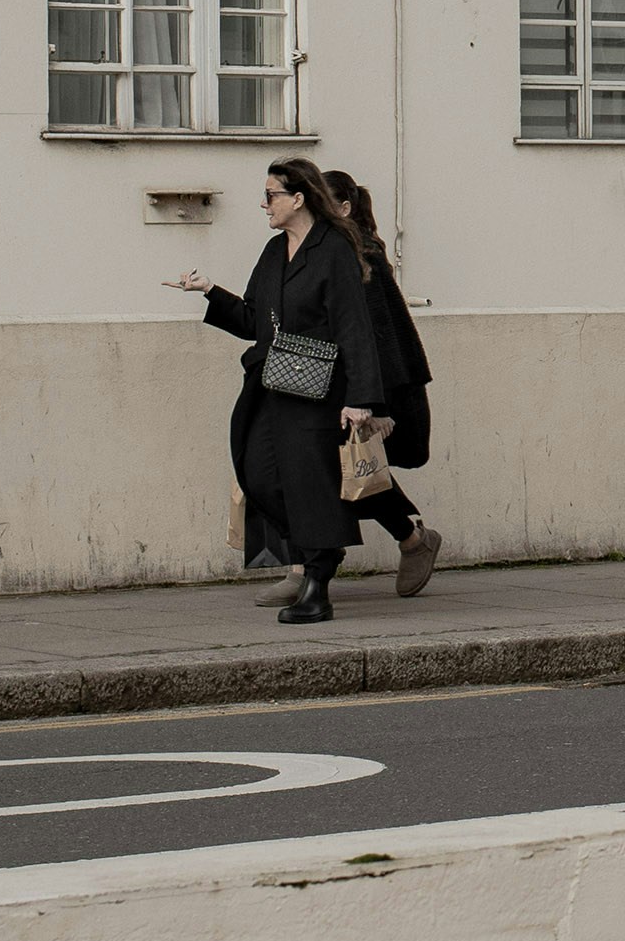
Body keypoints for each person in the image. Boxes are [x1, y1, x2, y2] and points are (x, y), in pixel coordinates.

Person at [180, 160, 388, 628]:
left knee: (310, 484)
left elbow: (355, 327)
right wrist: (210, 290)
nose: (264, 203)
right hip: (270, 386)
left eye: (271, 194)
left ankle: (317, 582)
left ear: (298, 199)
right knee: (258, 475)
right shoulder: (275, 251)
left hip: (319, 393)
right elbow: (255, 320)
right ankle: (320, 549)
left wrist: (361, 400)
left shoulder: (334, 250)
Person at [321, 174, 444, 594]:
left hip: (375, 388)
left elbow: (381, 333)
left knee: (354, 469)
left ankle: (411, 540)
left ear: (344, 208)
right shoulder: (323, 251)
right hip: (335, 385)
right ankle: (310, 567)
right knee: (329, 469)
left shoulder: (361, 256)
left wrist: (376, 404)